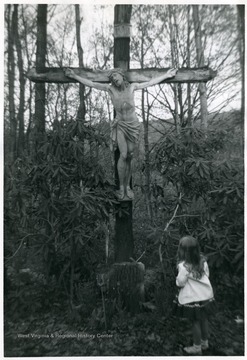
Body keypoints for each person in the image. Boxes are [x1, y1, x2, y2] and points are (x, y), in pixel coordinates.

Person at [64, 67, 177, 200]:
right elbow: (92, 84)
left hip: (133, 125)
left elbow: (150, 82)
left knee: (129, 155)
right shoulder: (110, 89)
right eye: (112, 78)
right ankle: (121, 188)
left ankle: (128, 187)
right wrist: (74, 76)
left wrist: (166, 75)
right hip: (121, 126)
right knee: (123, 155)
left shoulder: (132, 87)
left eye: (116, 76)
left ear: (122, 76)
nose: (114, 79)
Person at [175, 235, 215, 355]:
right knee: (204, 319)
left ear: (182, 251)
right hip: (206, 295)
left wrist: (178, 281)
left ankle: (197, 347)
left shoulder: (184, 266)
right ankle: (204, 342)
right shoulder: (203, 262)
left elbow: (180, 283)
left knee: (195, 322)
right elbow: (206, 275)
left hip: (193, 298)